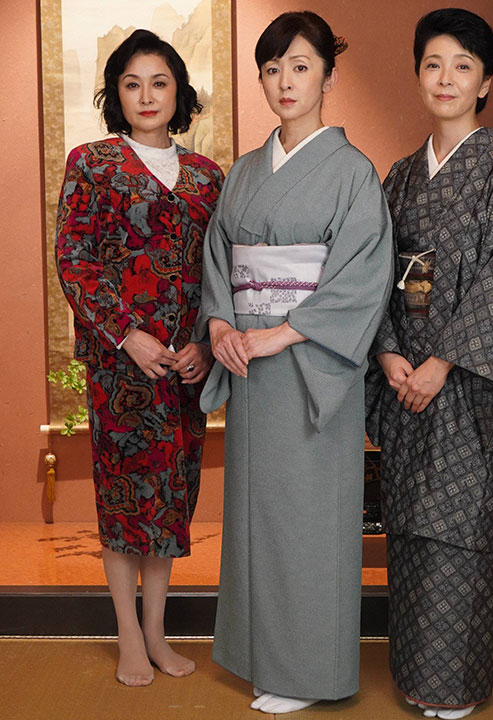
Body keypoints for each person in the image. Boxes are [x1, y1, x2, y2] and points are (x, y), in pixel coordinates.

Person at [365, 8, 493, 719]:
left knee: (464, 531)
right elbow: (370, 273)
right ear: (418, 75)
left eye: (463, 66)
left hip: (465, 389)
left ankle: (454, 685)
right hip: (405, 382)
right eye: (433, 64)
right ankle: (417, 675)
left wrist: (444, 362)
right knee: (410, 527)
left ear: (485, 82)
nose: (445, 78)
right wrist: (387, 349)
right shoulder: (398, 178)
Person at [197, 11, 393, 715]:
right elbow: (219, 259)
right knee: (256, 517)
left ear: (328, 79)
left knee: (310, 520)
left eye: (302, 66)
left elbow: (362, 278)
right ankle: (264, 658)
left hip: (311, 367)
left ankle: (310, 671)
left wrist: (281, 334)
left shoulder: (352, 173)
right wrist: (221, 322)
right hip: (249, 366)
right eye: (273, 68)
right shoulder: (244, 173)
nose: (286, 81)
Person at [55, 29, 223, 687]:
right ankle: (128, 634)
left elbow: (219, 272)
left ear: (179, 91)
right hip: (120, 368)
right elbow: (73, 259)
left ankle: (157, 632)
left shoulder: (208, 177)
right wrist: (127, 334)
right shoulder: (92, 163)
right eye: (132, 84)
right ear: (115, 95)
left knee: (171, 500)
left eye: (159, 82)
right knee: (125, 500)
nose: (147, 96)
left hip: (184, 368)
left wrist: (206, 344)